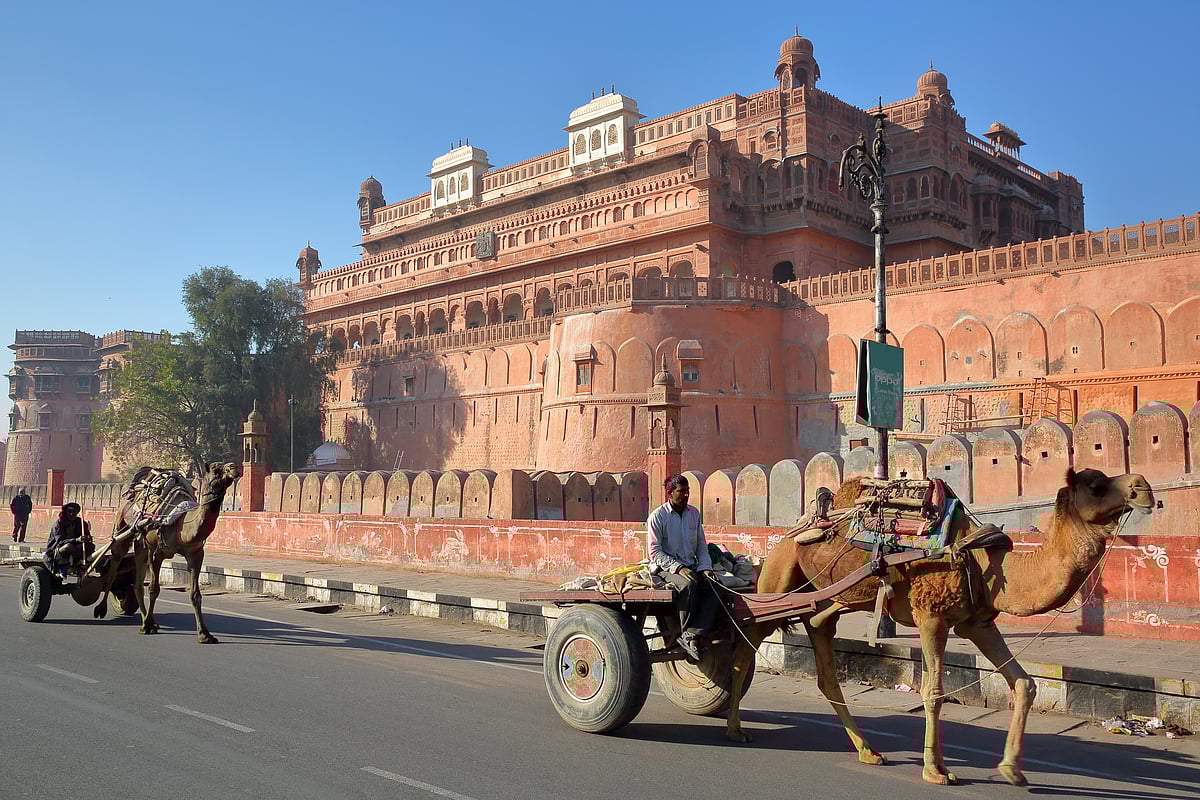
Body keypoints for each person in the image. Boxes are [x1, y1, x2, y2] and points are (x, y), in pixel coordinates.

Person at [647, 474, 719, 661]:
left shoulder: (693, 514)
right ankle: (686, 633)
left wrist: (705, 568)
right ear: (670, 493)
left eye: (688, 491)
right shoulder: (658, 517)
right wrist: (678, 568)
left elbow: (701, 547)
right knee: (688, 585)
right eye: (682, 491)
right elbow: (655, 553)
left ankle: (695, 632)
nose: (686, 494)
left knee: (715, 586)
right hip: (666, 567)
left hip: (690, 565)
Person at [42, 502, 94, 579]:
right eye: (70, 512)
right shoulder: (59, 524)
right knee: (68, 546)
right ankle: (73, 563)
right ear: (66, 512)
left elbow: (86, 535)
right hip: (58, 550)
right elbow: (60, 542)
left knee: (91, 546)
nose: (72, 514)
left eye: (74, 512)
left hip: (75, 547)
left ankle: (80, 561)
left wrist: (88, 538)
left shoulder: (80, 523)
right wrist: (76, 540)